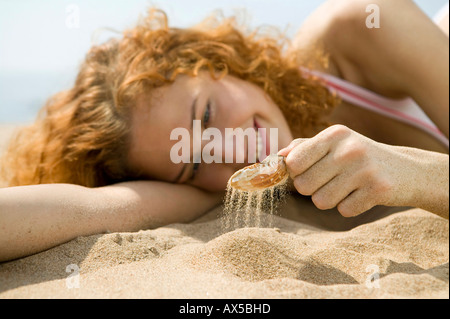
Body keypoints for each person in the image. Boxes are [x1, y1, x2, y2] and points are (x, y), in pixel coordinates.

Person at [0, 0, 448, 262]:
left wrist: (413, 174)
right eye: (194, 160)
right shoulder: (235, 184)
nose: (227, 148)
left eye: (208, 114)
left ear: (220, 63)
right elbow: (92, 210)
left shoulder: (357, 30)